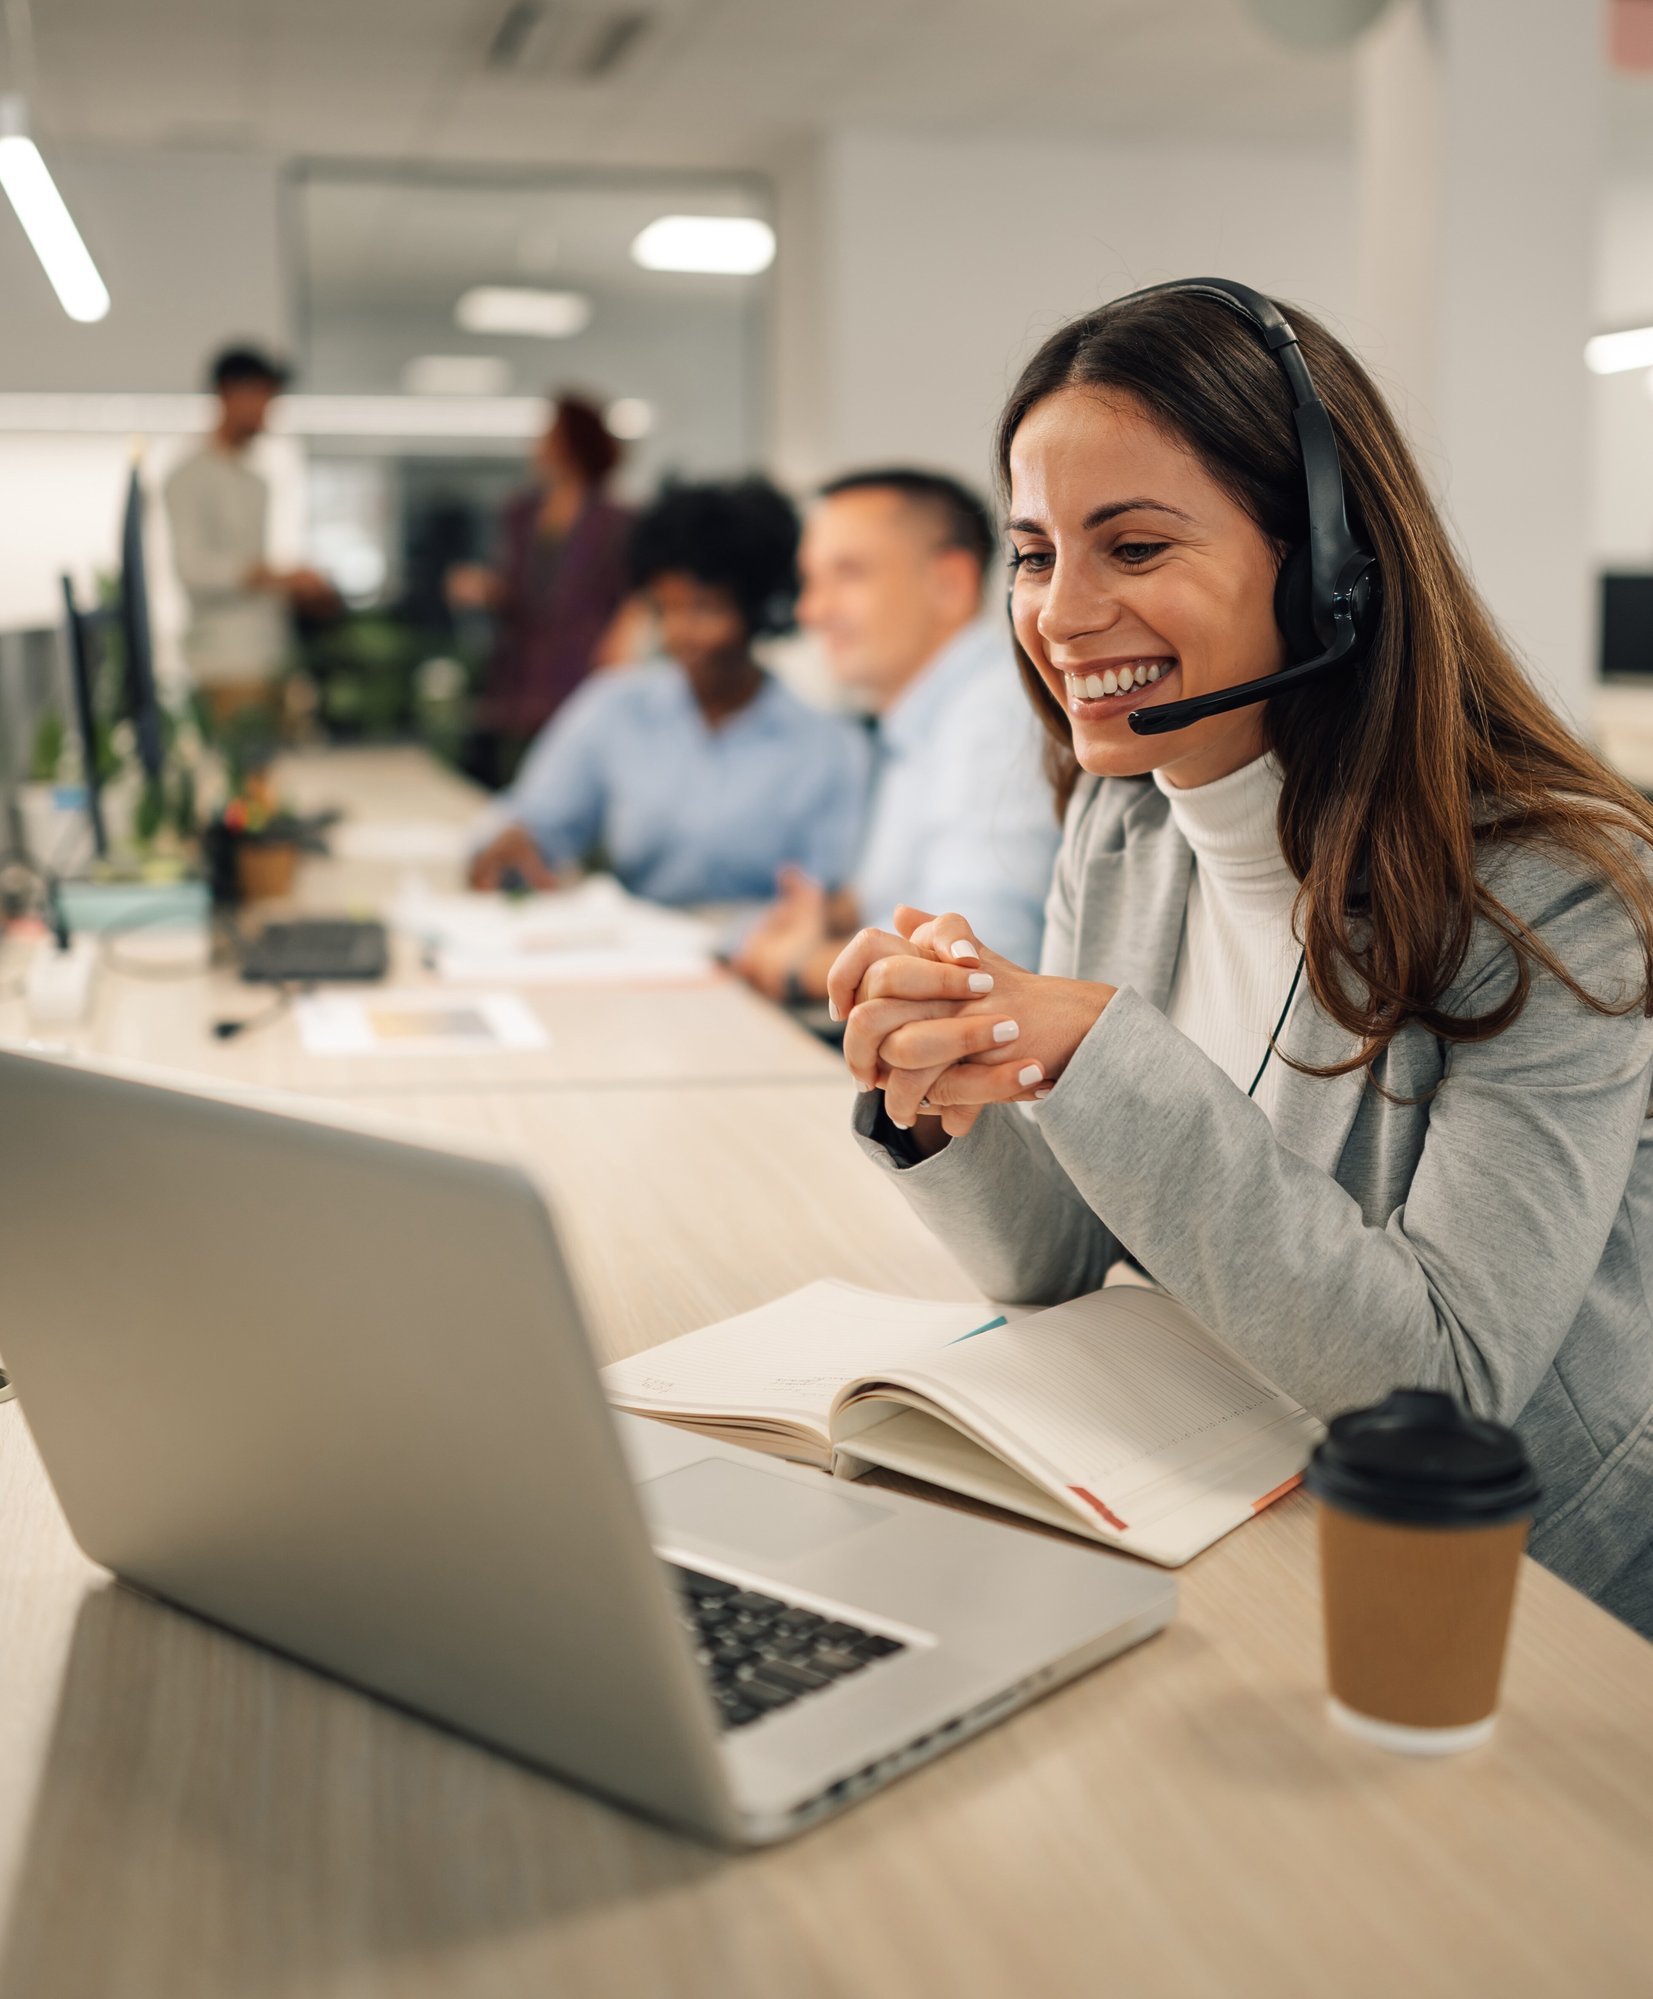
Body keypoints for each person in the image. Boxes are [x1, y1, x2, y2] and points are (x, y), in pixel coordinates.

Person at [831, 284, 1653, 1638]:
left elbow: (1436, 1388)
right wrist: (949, 1104)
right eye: (1033, 552)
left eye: (1133, 546)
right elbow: (1068, 1253)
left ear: (1329, 563)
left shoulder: (1551, 895)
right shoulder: (1124, 820)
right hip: (1239, 1495)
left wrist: (1095, 1052)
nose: (1060, 612)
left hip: (1517, 1601)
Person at [730, 470, 1058, 1004]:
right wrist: (834, 915)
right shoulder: (917, 720)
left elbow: (975, 961)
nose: (810, 611)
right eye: (810, 581)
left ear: (948, 585)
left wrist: (799, 965)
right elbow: (919, 899)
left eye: (848, 574)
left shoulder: (994, 714)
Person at [467, 478, 864, 906]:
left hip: (759, 962)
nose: (679, 633)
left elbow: (833, 896)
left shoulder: (826, 746)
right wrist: (511, 841)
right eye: (665, 608)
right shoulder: (615, 709)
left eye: (704, 608)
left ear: (757, 609)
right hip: (633, 954)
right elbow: (536, 814)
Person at [450, 393, 634, 789]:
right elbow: (517, 592)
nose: (540, 444)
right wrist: (486, 590)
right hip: (522, 672)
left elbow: (630, 594)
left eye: (550, 433)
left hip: (582, 667)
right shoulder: (521, 513)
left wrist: (620, 637)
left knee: (578, 776)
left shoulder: (615, 519)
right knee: (517, 777)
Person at [163, 346, 338, 727]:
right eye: (260, 396)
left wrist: (296, 589)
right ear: (228, 393)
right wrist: (278, 577)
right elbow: (193, 569)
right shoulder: (188, 477)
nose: (267, 411)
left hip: (270, 658)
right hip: (224, 666)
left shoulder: (257, 480)